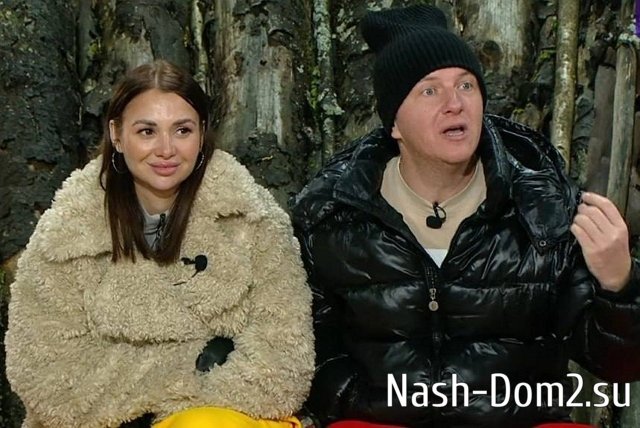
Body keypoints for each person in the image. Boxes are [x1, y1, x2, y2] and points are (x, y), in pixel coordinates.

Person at [290, 4, 640, 428]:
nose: (455, 104)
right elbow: (308, 354)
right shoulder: (333, 217)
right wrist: (359, 402)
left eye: (466, 85)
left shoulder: (543, 209)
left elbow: (621, 365)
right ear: (394, 123)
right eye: (429, 91)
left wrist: (619, 286)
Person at [5, 60, 314, 428]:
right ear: (117, 135)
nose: (166, 149)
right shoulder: (66, 234)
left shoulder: (254, 220)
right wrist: (201, 359)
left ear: (202, 133)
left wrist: (130, 380)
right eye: (147, 131)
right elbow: (47, 381)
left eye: (182, 130)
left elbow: (283, 370)